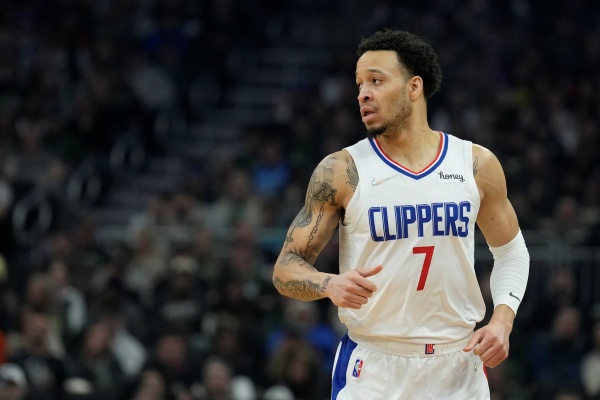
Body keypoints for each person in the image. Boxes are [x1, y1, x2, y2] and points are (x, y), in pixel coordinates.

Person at [271, 28, 530, 399]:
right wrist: (330, 285)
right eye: (359, 84)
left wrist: (503, 320)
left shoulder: (475, 164)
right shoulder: (341, 170)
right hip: (374, 366)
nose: (362, 93)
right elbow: (285, 267)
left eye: (376, 81)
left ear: (414, 87)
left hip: (458, 365)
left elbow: (511, 251)